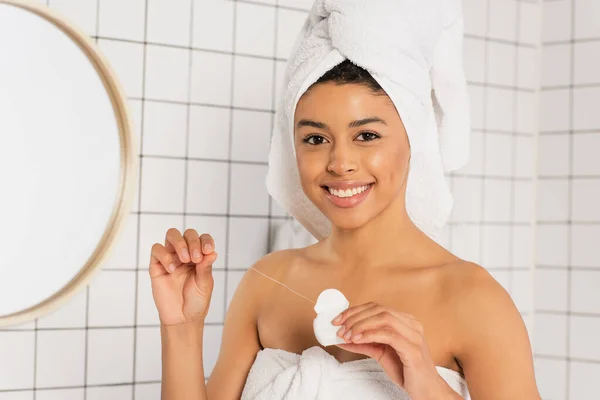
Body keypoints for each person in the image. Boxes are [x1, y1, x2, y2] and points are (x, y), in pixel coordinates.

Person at [149, 60, 541, 399]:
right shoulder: (267, 281)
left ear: (411, 140)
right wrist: (181, 327)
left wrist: (427, 387)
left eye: (367, 135)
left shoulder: (472, 298)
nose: (340, 162)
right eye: (316, 139)